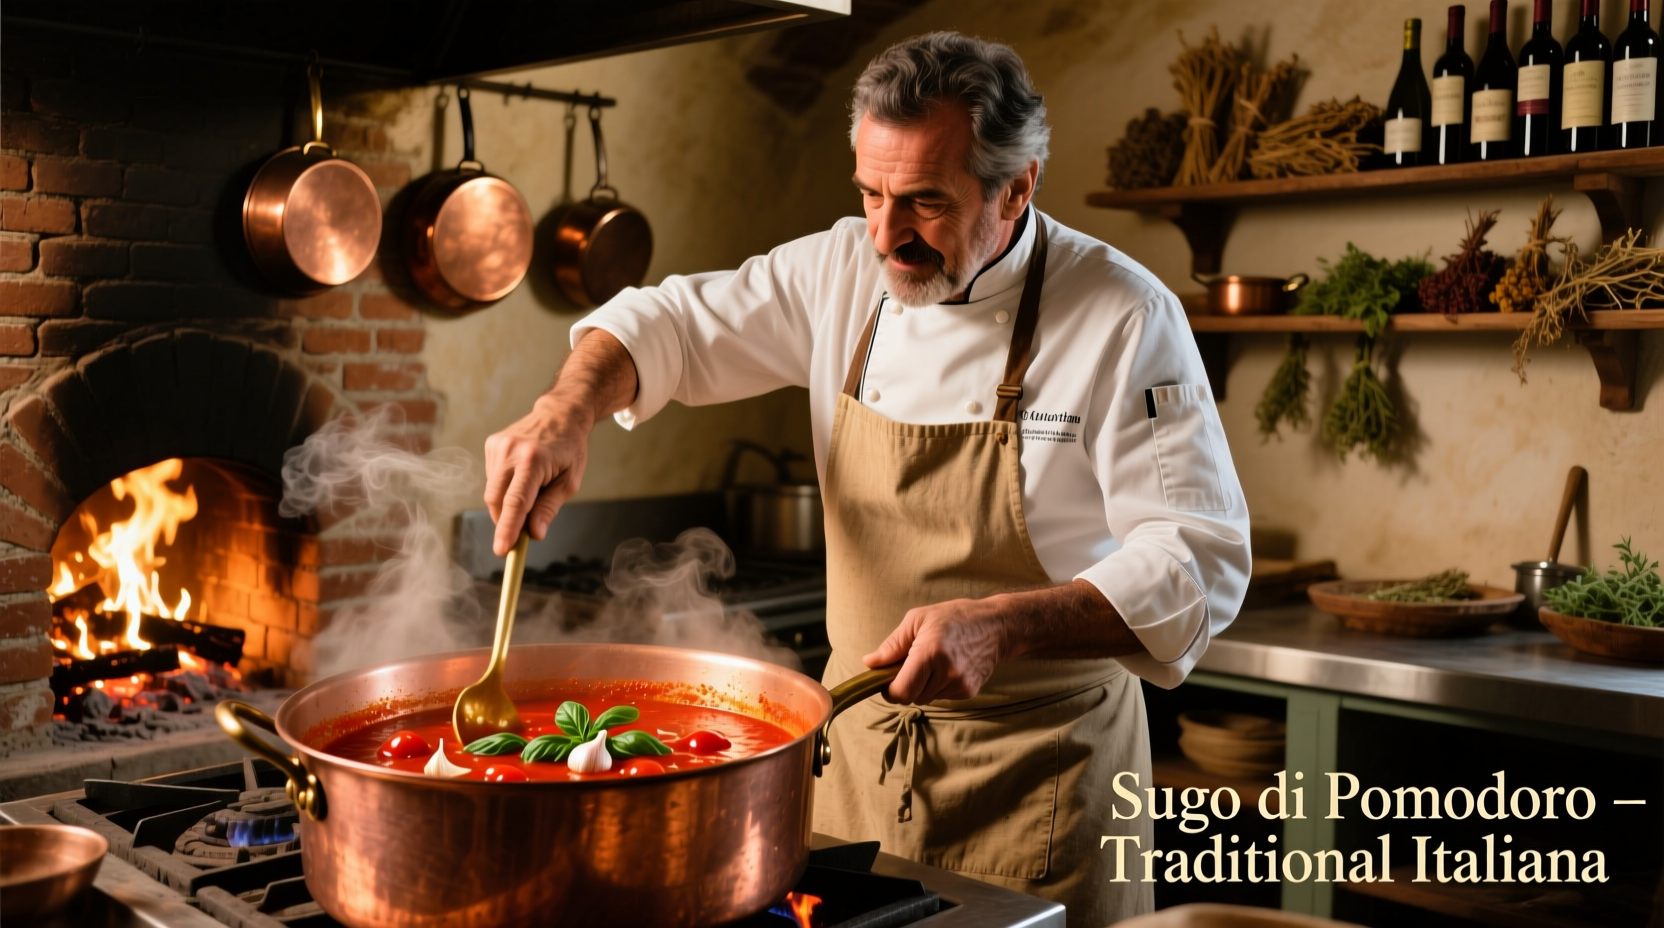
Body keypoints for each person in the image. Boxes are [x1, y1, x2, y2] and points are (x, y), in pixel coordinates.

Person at [483, 31, 1250, 926]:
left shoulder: (1124, 315)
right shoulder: (842, 269)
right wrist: (565, 409)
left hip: (1044, 777)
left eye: (925, 201)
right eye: (871, 194)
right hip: (856, 760)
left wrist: (1005, 625)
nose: (887, 234)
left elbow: (1197, 562)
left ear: (1017, 186)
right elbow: (669, 327)